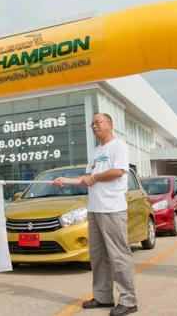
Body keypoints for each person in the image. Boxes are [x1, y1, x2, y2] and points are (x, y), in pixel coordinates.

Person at [53, 113, 138, 316]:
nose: (94, 126)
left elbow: (118, 172)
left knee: (118, 255)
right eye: (92, 124)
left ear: (110, 124)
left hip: (113, 209)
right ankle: (103, 296)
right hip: (94, 209)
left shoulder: (119, 146)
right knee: (98, 256)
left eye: (98, 122)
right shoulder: (95, 152)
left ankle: (128, 300)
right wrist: (66, 180)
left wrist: (95, 177)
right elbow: (86, 178)